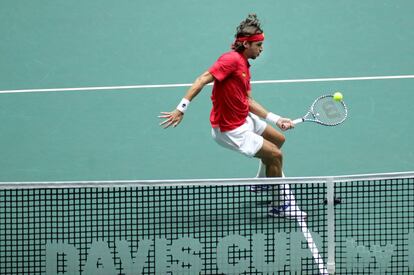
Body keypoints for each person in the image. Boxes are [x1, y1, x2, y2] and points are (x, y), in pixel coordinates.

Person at [159, 14, 306, 219]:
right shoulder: (230, 60)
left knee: (278, 139)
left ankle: (262, 183)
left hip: (243, 118)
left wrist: (277, 118)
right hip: (230, 129)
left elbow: (248, 101)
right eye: (259, 45)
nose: (262, 48)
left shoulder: (244, 65)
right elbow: (202, 79)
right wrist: (181, 108)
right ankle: (279, 205)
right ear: (246, 44)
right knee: (275, 156)